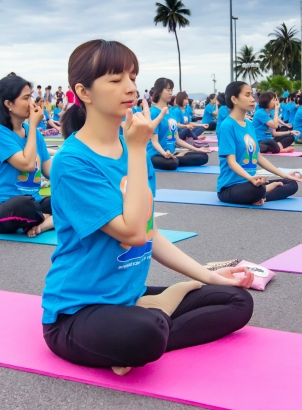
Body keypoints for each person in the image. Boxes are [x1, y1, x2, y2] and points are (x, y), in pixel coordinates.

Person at [42, 39, 254, 374]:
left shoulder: (131, 149)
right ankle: (155, 315)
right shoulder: (72, 162)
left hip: (130, 297)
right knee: (145, 333)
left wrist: (207, 275)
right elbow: (134, 233)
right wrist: (139, 149)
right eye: (115, 80)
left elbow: (151, 231)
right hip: (78, 312)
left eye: (132, 77)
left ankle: (153, 313)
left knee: (237, 300)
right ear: (84, 92)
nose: (129, 88)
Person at [0, 74, 53, 237]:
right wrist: (33, 126)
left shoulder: (35, 136)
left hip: (35, 202)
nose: (31, 103)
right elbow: (27, 164)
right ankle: (51, 220)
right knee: (26, 205)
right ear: (9, 104)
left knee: (68, 199)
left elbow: (50, 170)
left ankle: (46, 221)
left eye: (31, 97)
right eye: (26, 98)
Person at [217, 81, 302, 206]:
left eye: (252, 95)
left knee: (291, 184)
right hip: (231, 188)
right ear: (234, 99)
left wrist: (284, 174)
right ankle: (263, 192)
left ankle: (261, 194)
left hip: (252, 183)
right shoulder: (227, 126)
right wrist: (251, 178)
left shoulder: (249, 124)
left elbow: (258, 157)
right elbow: (231, 162)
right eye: (247, 95)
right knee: (256, 189)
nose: (252, 99)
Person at [147, 78, 211, 170]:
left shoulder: (171, 113)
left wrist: (197, 149)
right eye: (168, 90)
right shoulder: (153, 113)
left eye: (171, 90)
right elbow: (154, 142)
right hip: (156, 154)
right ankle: (178, 156)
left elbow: (176, 139)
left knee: (203, 156)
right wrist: (164, 153)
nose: (171, 93)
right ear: (159, 91)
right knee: (172, 163)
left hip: (170, 153)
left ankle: (177, 156)